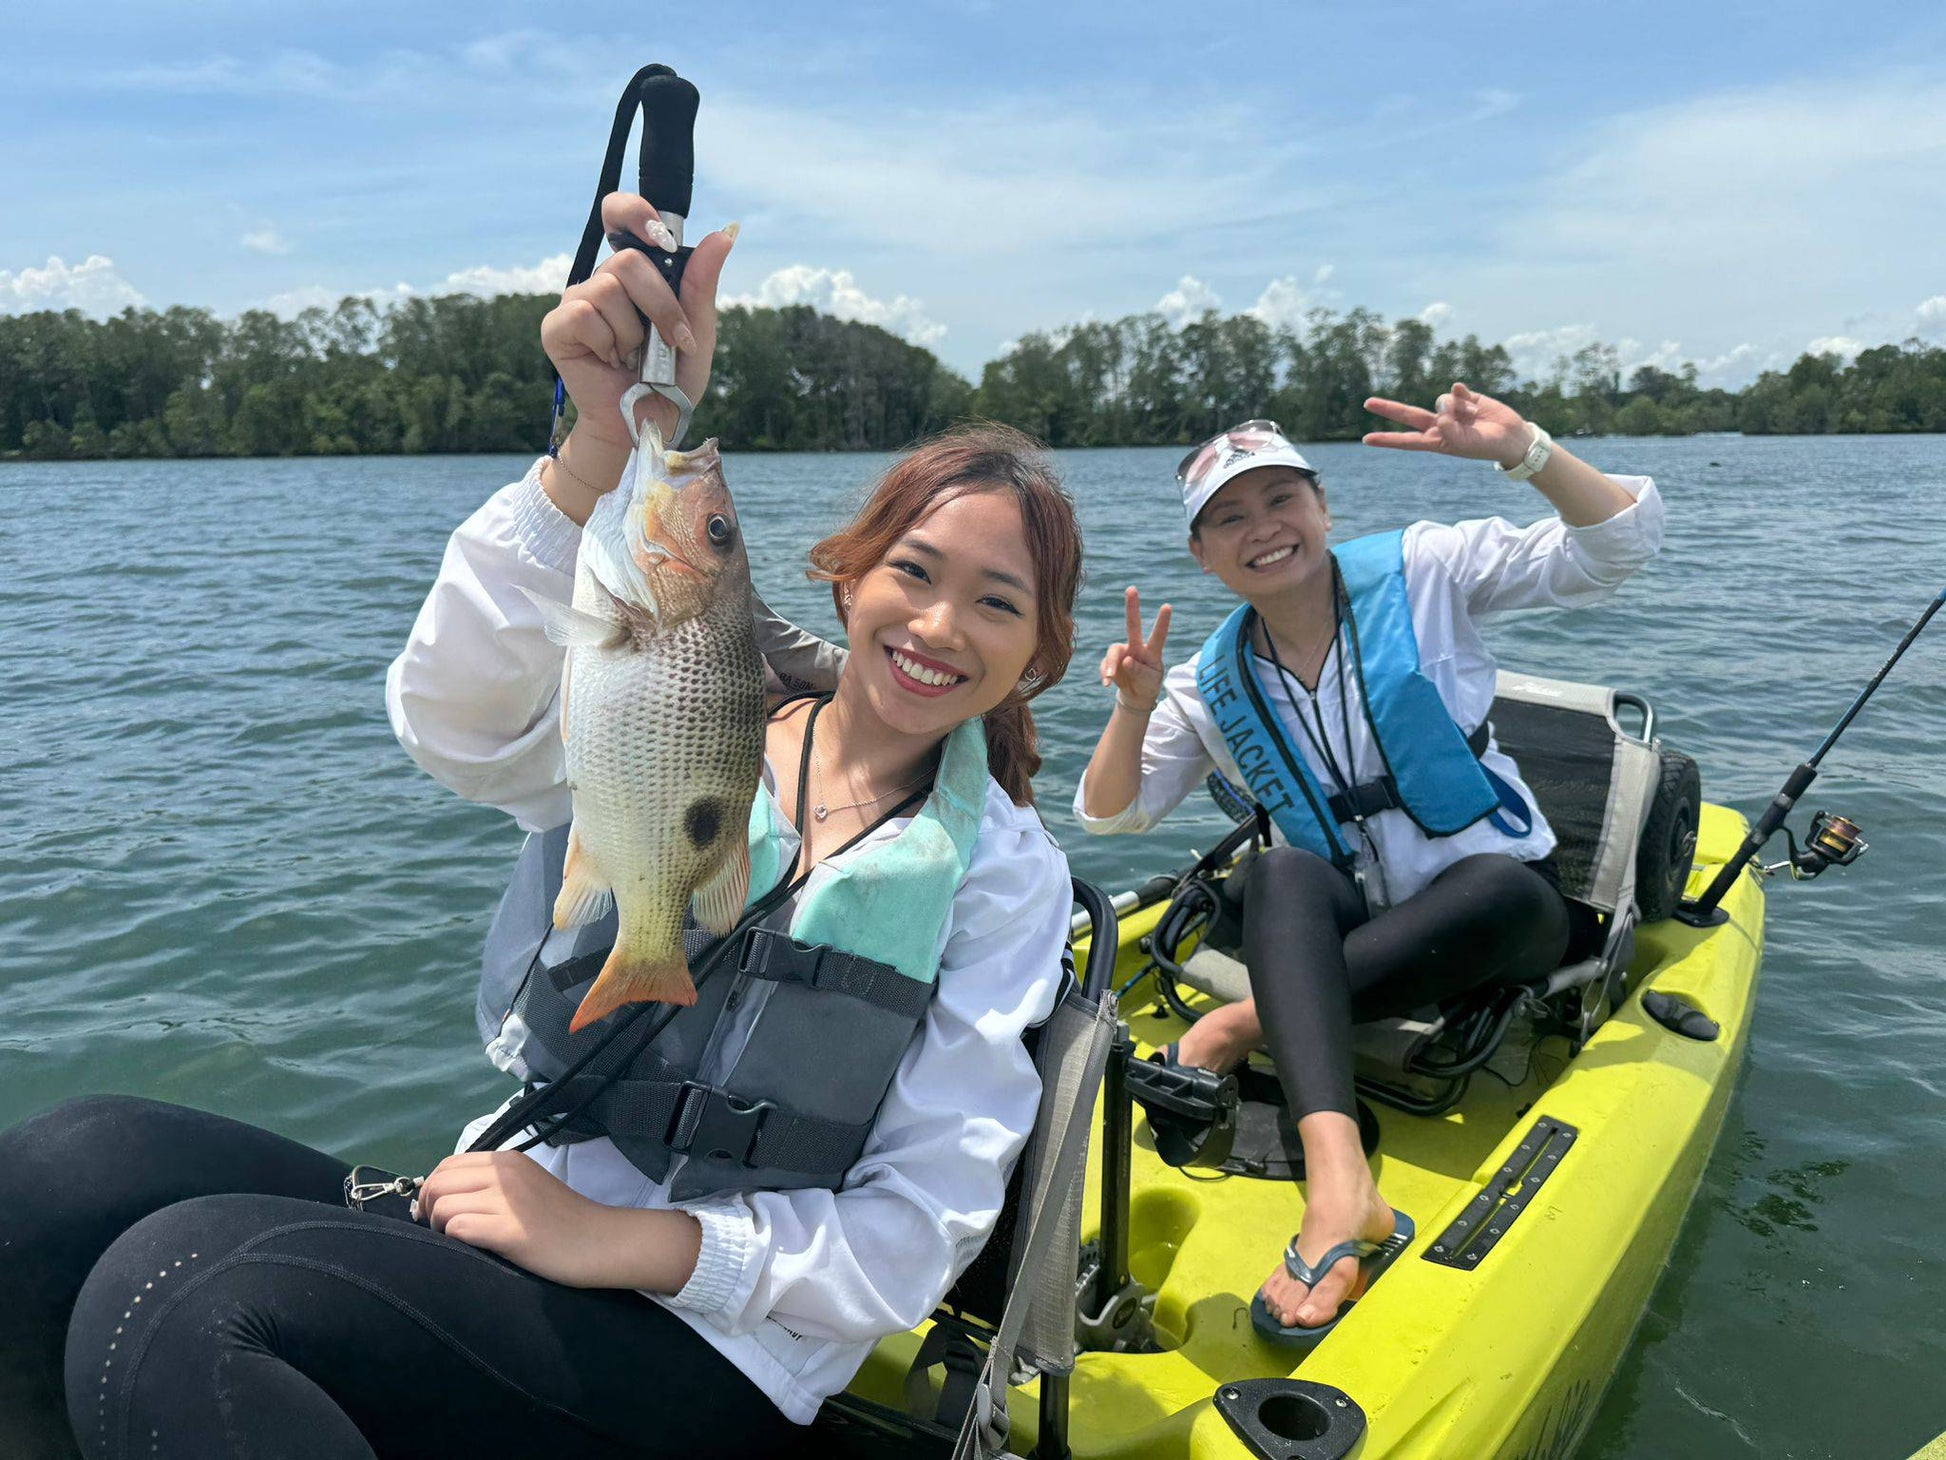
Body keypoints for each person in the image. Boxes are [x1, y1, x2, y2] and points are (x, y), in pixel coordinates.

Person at [0, 189, 1084, 1458]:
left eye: (995, 603)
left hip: (708, 1342)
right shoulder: (679, 689)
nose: (939, 625)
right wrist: (595, 444)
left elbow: (921, 1230)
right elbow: (453, 721)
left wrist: (625, 1239)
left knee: (184, 1301)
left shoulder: (1003, 875)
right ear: (844, 572)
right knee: (64, 1172)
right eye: (912, 569)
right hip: (511, 1211)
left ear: (1040, 651)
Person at [1075, 393, 1662, 1342]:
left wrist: (1528, 452)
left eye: (1280, 501)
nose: (1262, 530)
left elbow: (1617, 548)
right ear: (1202, 553)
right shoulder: (1206, 682)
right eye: (1229, 517)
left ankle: (1243, 1021)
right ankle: (1341, 1184)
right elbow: (1110, 814)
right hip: (1363, 920)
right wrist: (1135, 706)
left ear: (1321, 507)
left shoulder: (1426, 569)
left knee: (1500, 890)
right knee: (1280, 875)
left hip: (1501, 907)